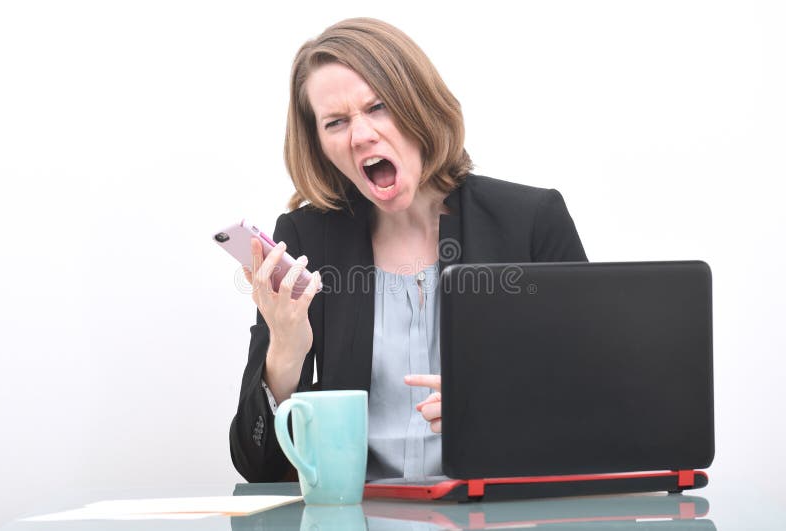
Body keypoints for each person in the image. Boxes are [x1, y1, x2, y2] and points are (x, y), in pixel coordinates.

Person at [229, 17, 587, 483]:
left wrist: (495, 412)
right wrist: (286, 354)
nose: (360, 136)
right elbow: (259, 467)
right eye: (335, 122)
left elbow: (592, 404)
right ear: (319, 145)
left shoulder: (529, 222)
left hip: (496, 514)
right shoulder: (305, 241)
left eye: (377, 107)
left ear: (419, 106)